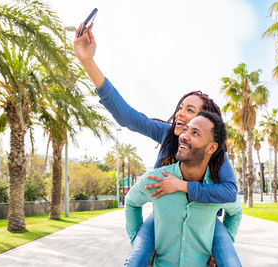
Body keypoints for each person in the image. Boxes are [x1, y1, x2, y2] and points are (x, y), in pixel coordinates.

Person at [73, 23, 242, 266]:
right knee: (138, 257)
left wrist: (182, 186)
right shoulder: (167, 134)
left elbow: (229, 194)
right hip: (164, 214)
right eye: (180, 108)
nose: (180, 115)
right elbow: (127, 116)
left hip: (204, 218)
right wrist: (88, 61)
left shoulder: (216, 155)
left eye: (190, 111)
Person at [126, 111, 242, 266]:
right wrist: (138, 245)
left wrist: (220, 250)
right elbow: (132, 202)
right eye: (186, 130)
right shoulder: (157, 179)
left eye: (195, 133)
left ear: (211, 148)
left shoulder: (217, 191)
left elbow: (235, 212)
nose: (184, 136)